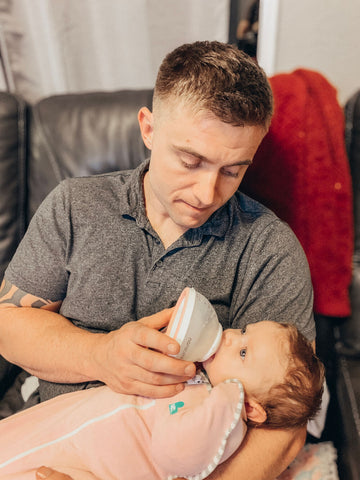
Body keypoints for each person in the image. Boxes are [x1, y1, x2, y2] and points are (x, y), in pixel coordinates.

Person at [0, 40, 316, 479]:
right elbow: (9, 325)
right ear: (149, 129)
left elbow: (284, 427)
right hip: (39, 444)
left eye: (233, 170)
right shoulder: (75, 205)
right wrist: (100, 354)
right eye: (191, 160)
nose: (207, 194)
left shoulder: (269, 250)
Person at [0, 321, 324, 480]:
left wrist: (229, 395)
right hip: (71, 427)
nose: (229, 335)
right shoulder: (203, 386)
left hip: (86, 465)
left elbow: (177, 454)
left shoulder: (222, 417)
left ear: (250, 406)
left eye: (242, 352)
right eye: (242, 330)